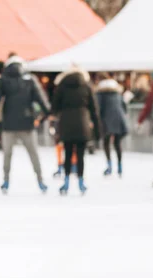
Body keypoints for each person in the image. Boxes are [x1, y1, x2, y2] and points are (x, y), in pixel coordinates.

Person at [0, 53, 50, 194]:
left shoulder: (3, 80)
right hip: (27, 123)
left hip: (9, 124)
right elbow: (41, 99)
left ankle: (6, 180)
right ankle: (40, 180)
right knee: (33, 153)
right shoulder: (30, 80)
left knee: (7, 154)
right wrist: (46, 115)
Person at [50, 67, 101, 195]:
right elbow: (94, 109)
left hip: (66, 123)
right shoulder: (86, 86)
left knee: (67, 153)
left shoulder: (62, 86)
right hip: (82, 123)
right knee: (80, 155)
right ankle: (80, 181)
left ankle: (66, 181)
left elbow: (55, 106)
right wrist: (98, 130)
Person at [96, 73, 129, 177]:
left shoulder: (100, 94)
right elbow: (124, 107)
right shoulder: (117, 93)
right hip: (119, 119)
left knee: (106, 142)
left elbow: (99, 109)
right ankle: (119, 166)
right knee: (117, 143)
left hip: (107, 120)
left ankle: (109, 165)